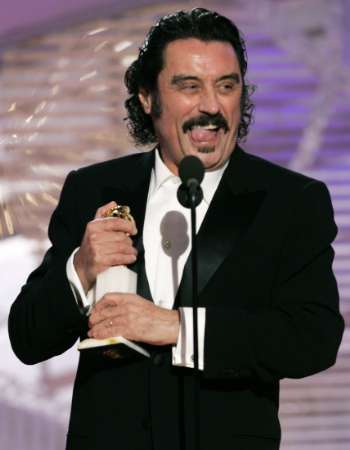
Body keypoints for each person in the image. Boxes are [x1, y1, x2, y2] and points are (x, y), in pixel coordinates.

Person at [8, 8, 344, 450]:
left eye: (227, 86)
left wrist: (178, 328)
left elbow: (311, 338)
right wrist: (80, 269)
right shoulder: (94, 188)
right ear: (148, 98)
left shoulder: (290, 201)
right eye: (189, 86)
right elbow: (28, 338)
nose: (211, 106)